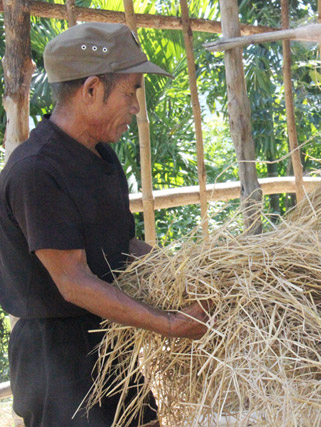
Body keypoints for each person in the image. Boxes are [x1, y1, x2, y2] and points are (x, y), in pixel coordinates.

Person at [0, 23, 209, 426]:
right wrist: (168, 323)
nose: (135, 105)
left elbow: (121, 245)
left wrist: (188, 270)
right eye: (131, 90)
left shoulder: (102, 157)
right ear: (92, 89)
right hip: (56, 360)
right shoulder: (36, 171)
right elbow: (73, 282)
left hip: (109, 340)